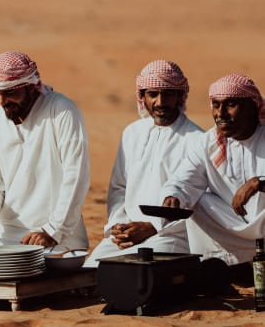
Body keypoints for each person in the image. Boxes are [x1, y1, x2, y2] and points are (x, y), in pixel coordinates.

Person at [0, 50, 90, 253]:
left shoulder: (61, 111)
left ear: (31, 87)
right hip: (2, 231)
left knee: (31, 267)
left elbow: (76, 177)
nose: (2, 102)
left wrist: (53, 231)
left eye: (9, 93)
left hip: (56, 234)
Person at [84, 60, 203, 268]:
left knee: (138, 270)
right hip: (128, 233)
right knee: (92, 268)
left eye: (167, 94)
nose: (160, 102)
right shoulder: (132, 133)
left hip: (171, 235)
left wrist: (153, 226)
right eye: (153, 94)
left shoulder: (197, 140)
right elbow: (119, 187)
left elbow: (199, 202)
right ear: (142, 97)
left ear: (179, 96)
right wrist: (119, 225)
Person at [162, 73, 265, 266]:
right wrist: (174, 196)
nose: (221, 114)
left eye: (230, 105)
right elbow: (185, 178)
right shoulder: (208, 142)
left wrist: (258, 183)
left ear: (252, 107)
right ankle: (224, 267)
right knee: (198, 201)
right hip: (234, 226)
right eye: (216, 105)